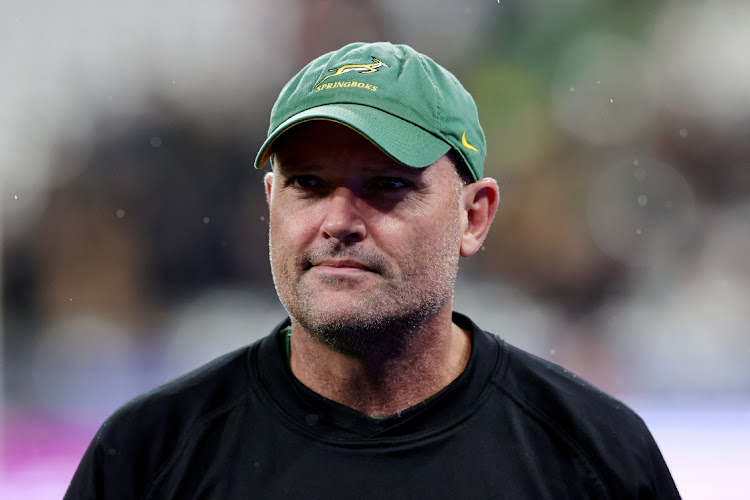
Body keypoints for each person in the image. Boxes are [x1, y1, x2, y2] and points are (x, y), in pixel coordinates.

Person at [65, 42, 681, 499]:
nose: (339, 220)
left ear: (474, 216)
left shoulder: (595, 456)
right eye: (308, 184)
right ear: (270, 202)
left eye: (387, 185)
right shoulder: (149, 456)